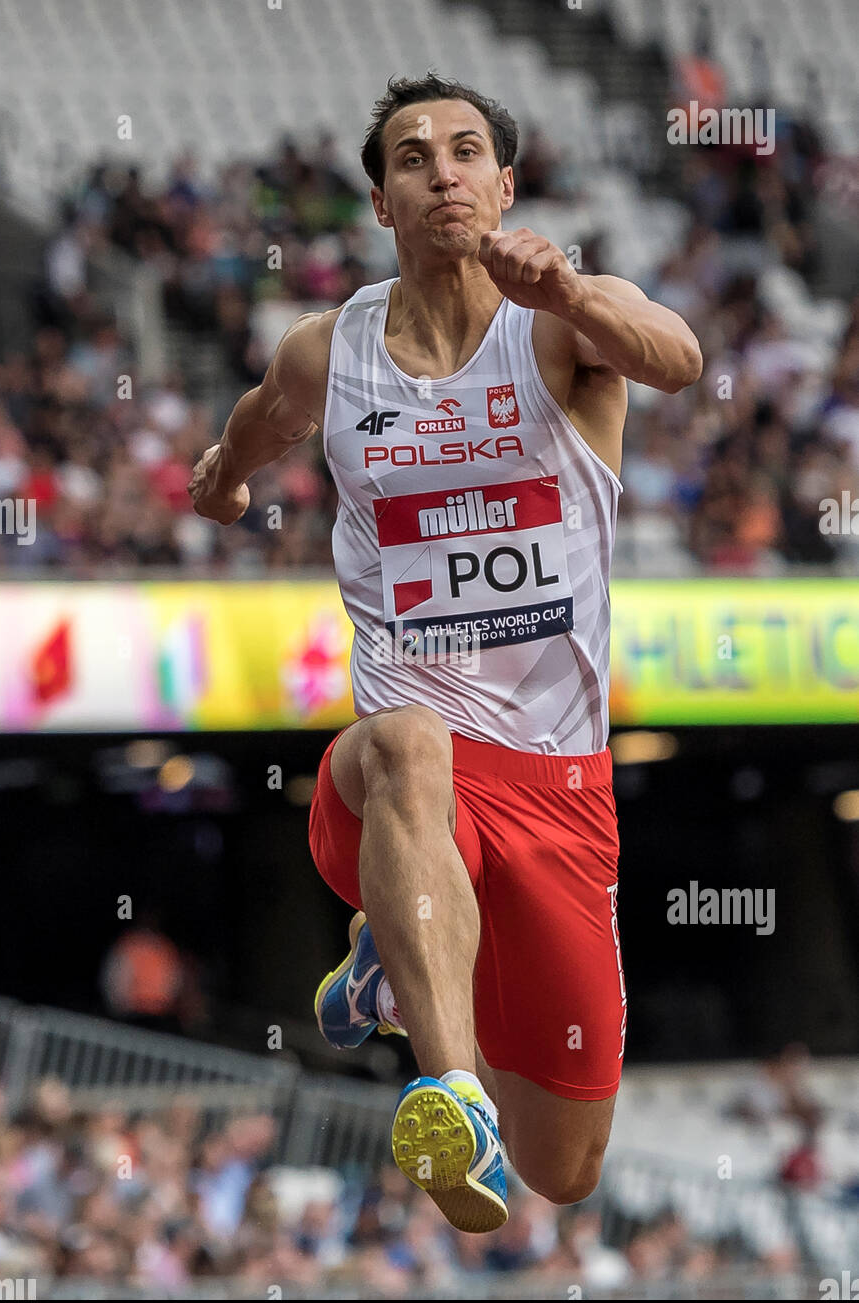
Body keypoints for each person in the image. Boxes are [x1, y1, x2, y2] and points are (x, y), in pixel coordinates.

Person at [188, 73, 702, 1235]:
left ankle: (391, 955)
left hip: (559, 792)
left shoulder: (566, 321)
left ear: (504, 184)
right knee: (408, 742)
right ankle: (447, 1089)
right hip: (395, 777)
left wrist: (567, 285)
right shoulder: (332, 352)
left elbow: (675, 359)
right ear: (382, 203)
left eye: (466, 152)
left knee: (561, 1170)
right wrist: (219, 481)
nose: (442, 171)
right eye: (411, 158)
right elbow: (258, 418)